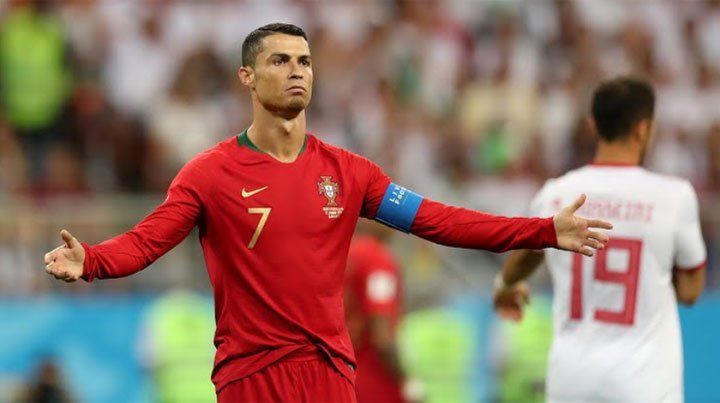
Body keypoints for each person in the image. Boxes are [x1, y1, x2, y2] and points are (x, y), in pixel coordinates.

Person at [44, 23, 611, 402]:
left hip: (332, 373)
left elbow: (439, 220)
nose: (297, 70)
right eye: (280, 60)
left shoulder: (350, 173)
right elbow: (146, 241)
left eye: (305, 61)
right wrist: (91, 260)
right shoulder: (210, 174)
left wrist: (542, 230)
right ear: (247, 77)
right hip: (252, 375)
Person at [493, 77, 706, 403]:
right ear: (643, 129)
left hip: (571, 381)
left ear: (593, 125)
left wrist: (505, 286)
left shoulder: (557, 193)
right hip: (644, 381)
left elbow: (522, 259)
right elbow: (691, 291)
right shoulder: (674, 196)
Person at [344, 222, 405, 403]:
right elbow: (382, 336)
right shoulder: (378, 261)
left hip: (340, 378)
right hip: (373, 383)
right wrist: (406, 381)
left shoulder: (341, 253)